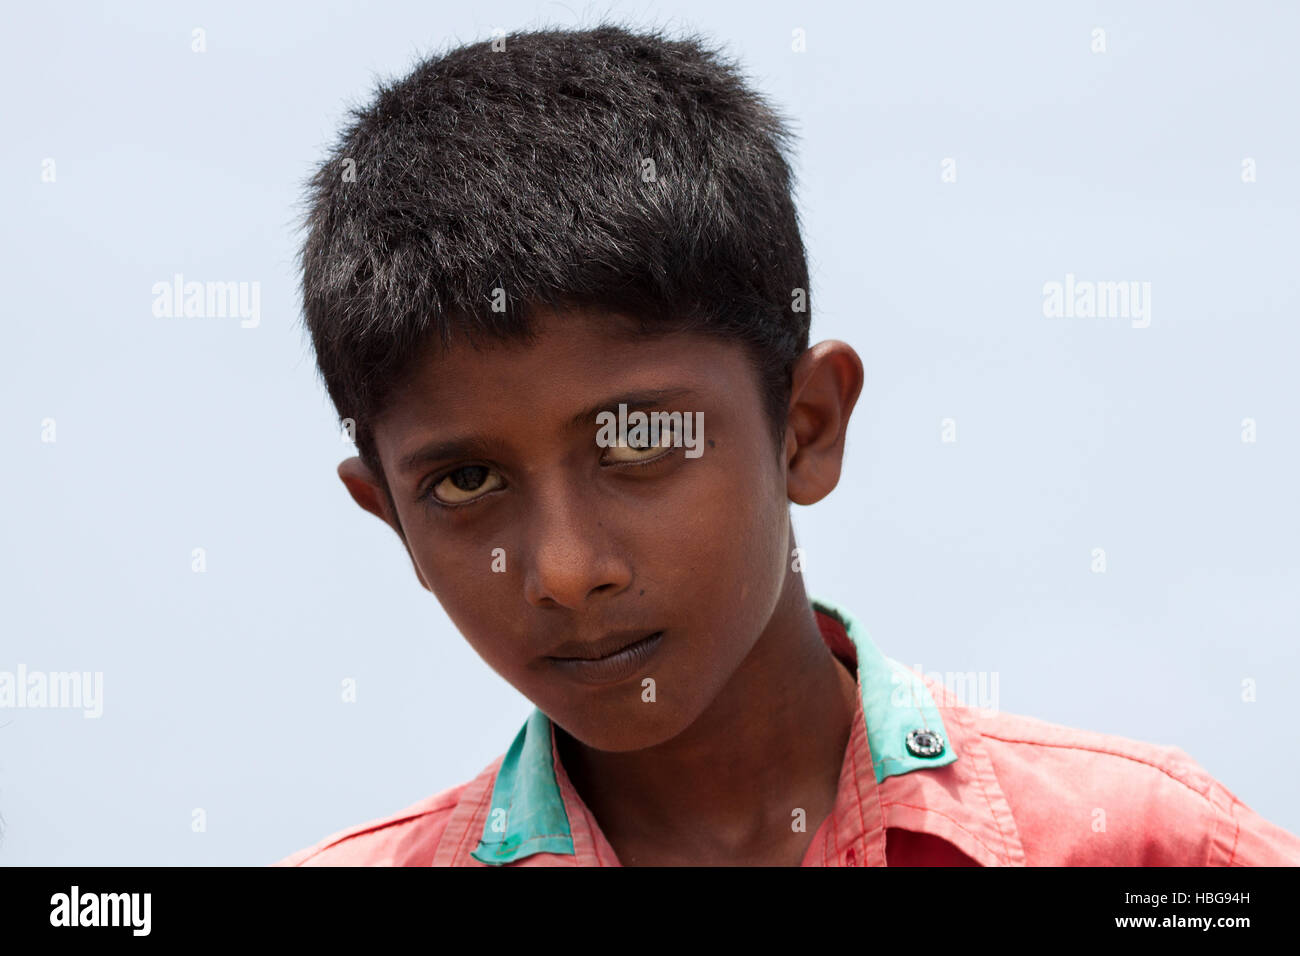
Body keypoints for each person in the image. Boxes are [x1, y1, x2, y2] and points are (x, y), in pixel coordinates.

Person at [275, 24, 1300, 866]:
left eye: (639, 440)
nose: (567, 568)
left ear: (806, 426)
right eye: (466, 480)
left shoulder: (1145, 852)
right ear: (393, 519)